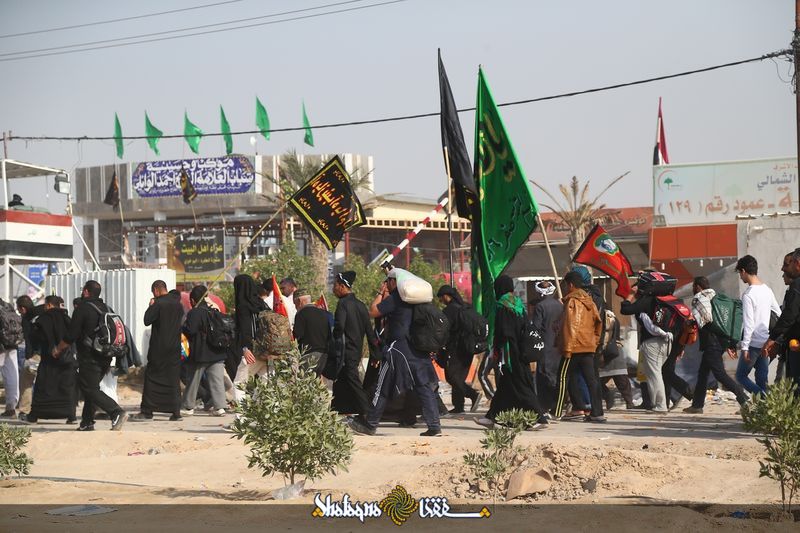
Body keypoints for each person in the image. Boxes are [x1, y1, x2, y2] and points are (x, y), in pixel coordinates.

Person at [349, 268, 441, 437]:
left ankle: (370, 424)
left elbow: (374, 311)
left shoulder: (397, 298)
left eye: (388, 281)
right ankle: (434, 425)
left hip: (398, 349)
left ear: (393, 282)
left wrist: (380, 292)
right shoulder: (419, 302)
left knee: (381, 387)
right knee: (424, 387)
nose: (387, 284)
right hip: (417, 350)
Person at [475, 275, 548, 428]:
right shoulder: (519, 304)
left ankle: (539, 419)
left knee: (521, 386)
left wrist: (497, 350)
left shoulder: (502, 305)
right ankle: (492, 417)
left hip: (509, 354)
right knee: (506, 386)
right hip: (521, 350)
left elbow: (503, 332)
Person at [54, 280, 127, 431]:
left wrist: (58, 349)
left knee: (89, 388)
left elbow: (71, 335)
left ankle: (116, 412)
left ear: (86, 292)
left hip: (90, 356)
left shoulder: (82, 308)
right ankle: (87, 422)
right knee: (90, 388)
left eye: (83, 290)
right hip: (106, 355)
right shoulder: (105, 307)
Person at [683, 276, 748, 414]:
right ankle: (697, 405)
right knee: (703, 374)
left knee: (720, 375)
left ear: (698, 287)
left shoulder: (700, 297)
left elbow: (706, 318)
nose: (693, 289)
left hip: (711, 342)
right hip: (719, 340)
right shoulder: (716, 297)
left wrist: (692, 322)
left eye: (694, 286)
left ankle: (744, 399)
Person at [553, 271, 605, 422]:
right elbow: (598, 323)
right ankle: (596, 413)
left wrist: (567, 348)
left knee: (563, 377)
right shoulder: (590, 300)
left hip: (574, 346)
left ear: (570, 285)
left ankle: (556, 411)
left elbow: (571, 325)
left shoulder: (572, 301)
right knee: (592, 380)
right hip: (588, 346)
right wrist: (594, 342)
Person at [131, 281, 184, 421]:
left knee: (151, 378)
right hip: (174, 348)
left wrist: (151, 306)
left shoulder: (159, 304)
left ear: (156, 290)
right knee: (173, 380)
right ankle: (176, 412)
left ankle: (147, 411)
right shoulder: (178, 305)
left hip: (159, 348)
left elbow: (147, 320)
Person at [20, 296, 77, 424]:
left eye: (45, 305)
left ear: (50, 305)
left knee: (43, 388)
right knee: (66, 388)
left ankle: (33, 416)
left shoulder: (43, 319)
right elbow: (73, 336)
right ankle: (71, 416)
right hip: (66, 359)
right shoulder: (67, 318)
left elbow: (35, 337)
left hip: (48, 360)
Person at [329, 271, 379, 418]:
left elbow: (339, 328)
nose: (333, 288)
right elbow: (370, 333)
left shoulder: (343, 304)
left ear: (343, 286)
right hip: (356, 352)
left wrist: (332, 343)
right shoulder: (361, 305)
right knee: (342, 380)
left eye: (335, 285)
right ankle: (339, 410)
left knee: (353, 382)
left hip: (346, 352)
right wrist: (375, 353)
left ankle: (368, 413)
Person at [621, 279, 671, 413]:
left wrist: (630, 295)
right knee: (655, 374)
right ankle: (657, 404)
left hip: (652, 342)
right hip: (666, 341)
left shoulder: (646, 300)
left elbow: (625, 309)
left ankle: (661, 406)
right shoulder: (662, 300)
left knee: (655, 374)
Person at [734, 255, 781, 397]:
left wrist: (744, 347)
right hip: (766, 341)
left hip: (753, 343)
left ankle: (766, 400)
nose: (741, 277)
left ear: (743, 271)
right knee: (762, 379)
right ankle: (766, 412)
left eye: (740, 273)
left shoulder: (748, 295)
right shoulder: (767, 290)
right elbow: (778, 313)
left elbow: (749, 324)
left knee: (740, 376)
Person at [180, 285, 227, 417]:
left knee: (193, 380)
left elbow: (190, 330)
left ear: (193, 300)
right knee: (217, 380)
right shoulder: (215, 310)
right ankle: (220, 407)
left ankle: (188, 407)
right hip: (217, 352)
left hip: (201, 353)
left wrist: (183, 327)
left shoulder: (195, 312)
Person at [437, 285, 481, 414]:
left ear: (446, 296)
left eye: (441, 298)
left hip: (456, 348)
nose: (441, 301)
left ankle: (473, 394)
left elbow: (444, 331)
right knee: (459, 377)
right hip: (469, 347)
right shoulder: (467, 307)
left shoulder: (449, 311)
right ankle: (459, 406)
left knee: (451, 376)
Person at [764, 249, 800, 391]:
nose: (783, 269)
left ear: (797, 263)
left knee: (795, 385)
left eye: (787, 264)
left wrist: (773, 338)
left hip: (796, 344)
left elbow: (789, 316)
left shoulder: (797, 285)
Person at [232, 274, 270, 402]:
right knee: (264, 384)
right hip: (268, 351)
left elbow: (245, 329)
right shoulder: (261, 303)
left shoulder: (243, 306)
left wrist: (245, 348)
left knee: (239, 384)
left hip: (252, 352)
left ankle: (242, 420)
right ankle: (262, 417)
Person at [529, 280, 563, 414]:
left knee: (544, 377)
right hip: (559, 345)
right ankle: (557, 405)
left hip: (545, 346)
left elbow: (536, 328)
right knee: (557, 375)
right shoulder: (560, 305)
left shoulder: (540, 307)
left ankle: (544, 406)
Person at [15, 295, 44, 417]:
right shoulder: (43, 312)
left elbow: (28, 339)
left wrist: (28, 357)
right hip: (51, 353)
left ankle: (25, 410)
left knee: (26, 380)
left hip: (36, 354)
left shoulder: (27, 318)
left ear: (23, 308)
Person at [293, 288, 331, 375]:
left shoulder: (301, 314)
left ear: (299, 301)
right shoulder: (324, 313)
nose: (295, 307)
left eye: (295, 304)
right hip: (323, 355)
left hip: (309, 355)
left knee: (303, 383)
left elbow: (298, 335)